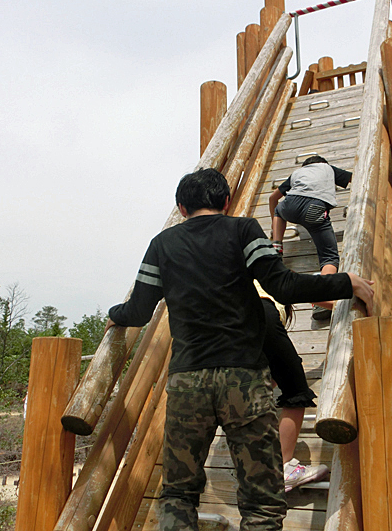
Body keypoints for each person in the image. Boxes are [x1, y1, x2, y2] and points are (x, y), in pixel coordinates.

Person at [107, 168, 374, 531]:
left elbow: (138, 310)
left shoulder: (162, 244)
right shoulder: (243, 229)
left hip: (188, 382)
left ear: (181, 207)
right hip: (243, 380)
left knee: (178, 493)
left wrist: (114, 316)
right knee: (262, 501)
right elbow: (282, 285)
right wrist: (346, 282)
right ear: (227, 201)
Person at [255, 282, 328, 492]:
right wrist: (348, 300)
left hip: (231, 329)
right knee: (296, 391)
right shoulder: (270, 273)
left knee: (256, 390)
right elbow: (317, 293)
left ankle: (258, 466)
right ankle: (283, 468)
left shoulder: (236, 276)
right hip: (261, 315)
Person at [268, 155, 353, 320]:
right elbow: (353, 179)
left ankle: (276, 245)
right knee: (329, 257)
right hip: (315, 208)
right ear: (322, 163)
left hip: (289, 205)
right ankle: (324, 296)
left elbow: (272, 198)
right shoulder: (327, 169)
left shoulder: (297, 173)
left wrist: (273, 225)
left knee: (279, 209)